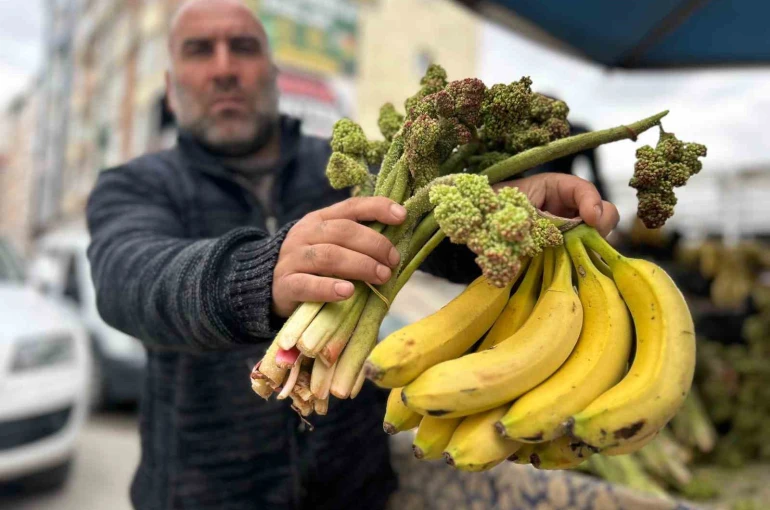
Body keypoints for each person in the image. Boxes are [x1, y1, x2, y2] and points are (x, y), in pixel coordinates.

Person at [85, 1, 620, 509]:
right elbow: (128, 277)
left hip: (356, 492)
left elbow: (427, 242)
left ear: (272, 71)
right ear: (170, 86)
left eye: (243, 47)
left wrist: (496, 221)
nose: (224, 68)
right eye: (199, 50)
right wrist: (260, 274)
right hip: (197, 498)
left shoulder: (347, 168)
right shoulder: (134, 186)